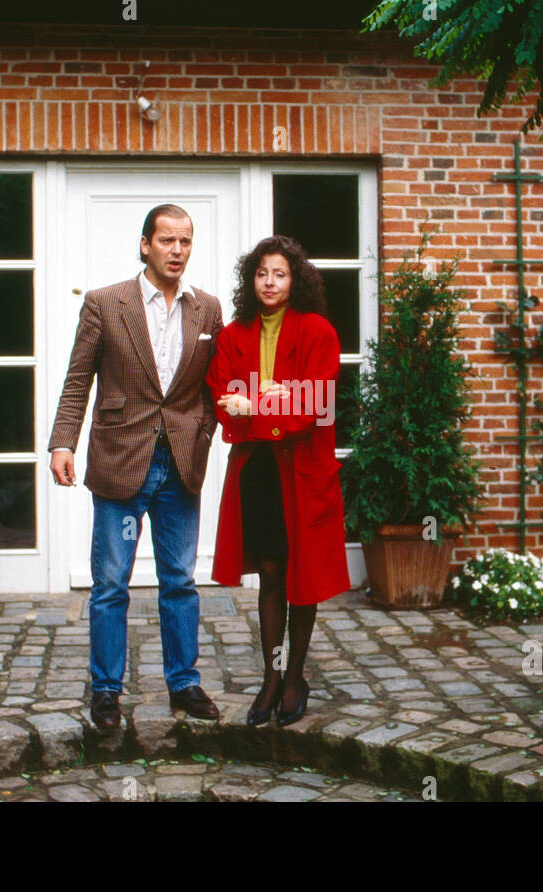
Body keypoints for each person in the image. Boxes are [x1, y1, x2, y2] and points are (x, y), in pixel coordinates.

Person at [48, 204, 225, 731]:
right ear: (145, 244)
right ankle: (106, 691)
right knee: (110, 584)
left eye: (185, 242)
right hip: (121, 460)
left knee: (180, 581)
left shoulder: (208, 310)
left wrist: (203, 431)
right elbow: (79, 378)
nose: (177, 250)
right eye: (167, 240)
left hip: (180, 467)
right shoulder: (106, 303)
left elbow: (215, 387)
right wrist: (63, 443)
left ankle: (184, 684)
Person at [206, 235, 350, 727]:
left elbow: (317, 401)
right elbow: (223, 393)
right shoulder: (233, 333)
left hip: (303, 468)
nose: (270, 282)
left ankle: (295, 680)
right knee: (270, 571)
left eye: (280, 274)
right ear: (252, 279)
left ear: (296, 280)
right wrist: (273, 398)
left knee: (301, 576)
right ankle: (272, 676)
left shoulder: (318, 331)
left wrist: (262, 403)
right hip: (260, 470)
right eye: (262, 273)